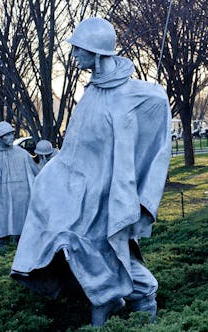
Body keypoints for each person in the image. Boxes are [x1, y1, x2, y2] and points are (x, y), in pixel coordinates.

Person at [11, 17, 171, 326]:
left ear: (96, 53)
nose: (73, 55)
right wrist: (51, 175)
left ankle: (143, 296)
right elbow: (77, 146)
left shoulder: (135, 94)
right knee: (72, 241)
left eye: (78, 49)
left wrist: (138, 197)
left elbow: (154, 140)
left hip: (107, 192)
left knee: (104, 245)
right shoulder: (93, 93)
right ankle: (106, 299)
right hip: (76, 187)